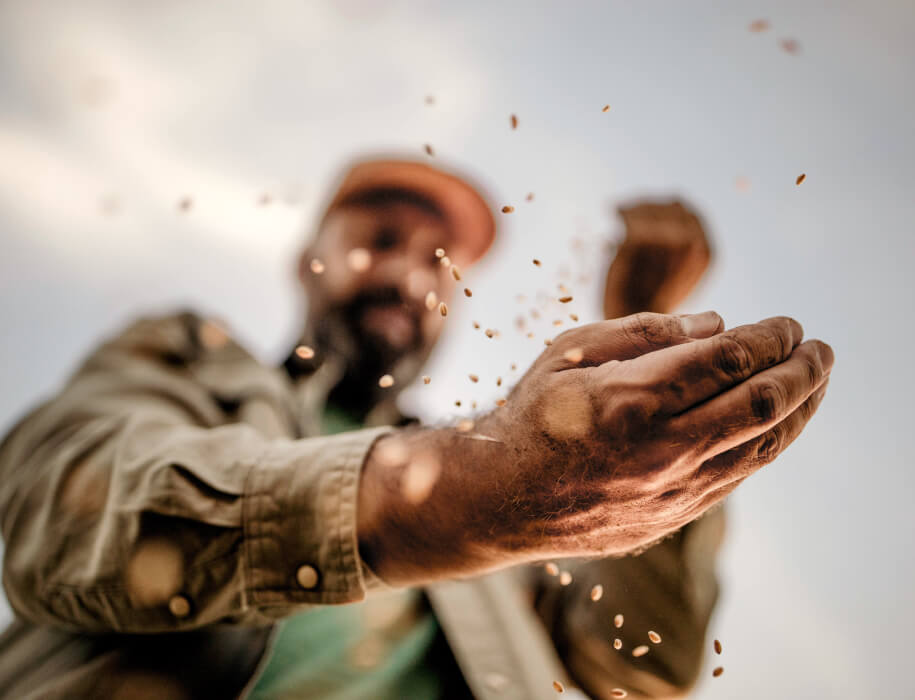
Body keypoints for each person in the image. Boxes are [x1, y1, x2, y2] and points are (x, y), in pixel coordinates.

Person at [0, 157, 833, 699]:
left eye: (440, 262)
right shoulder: (191, 356)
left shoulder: (525, 495)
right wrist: (458, 498)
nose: (407, 274)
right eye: (380, 239)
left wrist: (663, 424)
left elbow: (640, 668)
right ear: (308, 256)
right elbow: (59, 506)